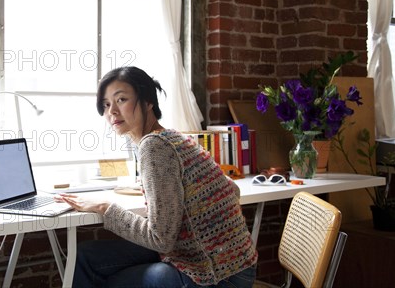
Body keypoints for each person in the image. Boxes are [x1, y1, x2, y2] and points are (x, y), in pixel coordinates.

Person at [58, 66, 258, 287]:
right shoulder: (171, 136)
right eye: (106, 105)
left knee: (106, 279)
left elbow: (161, 239)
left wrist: (106, 208)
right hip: (234, 264)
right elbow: (231, 188)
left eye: (121, 99)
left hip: (216, 275)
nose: (112, 111)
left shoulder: (154, 146)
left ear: (147, 101)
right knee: (85, 256)